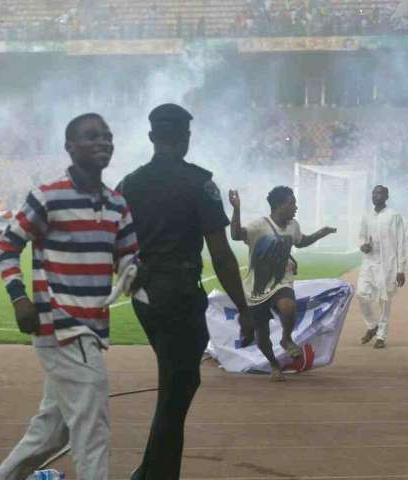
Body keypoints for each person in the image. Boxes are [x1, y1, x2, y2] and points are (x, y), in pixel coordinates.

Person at [0, 113, 138, 479]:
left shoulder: (118, 204)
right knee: (92, 432)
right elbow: (7, 245)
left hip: (92, 329)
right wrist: (19, 298)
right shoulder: (48, 197)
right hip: (60, 327)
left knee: (51, 433)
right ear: (69, 147)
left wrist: (138, 273)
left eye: (107, 135)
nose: (103, 141)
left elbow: (129, 265)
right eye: (91, 136)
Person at [118, 104, 255, 480]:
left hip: (146, 297)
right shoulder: (200, 184)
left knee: (175, 385)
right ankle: (155, 475)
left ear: (151, 137)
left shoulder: (129, 184)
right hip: (179, 295)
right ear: (186, 137)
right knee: (177, 390)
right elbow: (222, 256)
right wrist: (243, 308)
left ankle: (149, 471)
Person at [229, 185, 336, 379]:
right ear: (279, 206)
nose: (295, 207)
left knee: (287, 306)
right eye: (291, 203)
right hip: (257, 286)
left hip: (281, 281)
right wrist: (236, 209)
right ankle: (274, 364)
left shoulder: (293, 225)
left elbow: (301, 241)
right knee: (262, 336)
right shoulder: (259, 226)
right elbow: (236, 235)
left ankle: (286, 339)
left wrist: (322, 233)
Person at [358, 185, 407, 349]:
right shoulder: (367, 216)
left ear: (386, 196)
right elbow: (362, 236)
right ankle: (372, 325)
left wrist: (401, 269)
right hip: (369, 262)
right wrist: (363, 246)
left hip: (388, 264)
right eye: (373, 193)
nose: (375, 196)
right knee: (361, 294)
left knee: (384, 301)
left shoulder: (394, 216)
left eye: (379, 193)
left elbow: (401, 243)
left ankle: (381, 336)